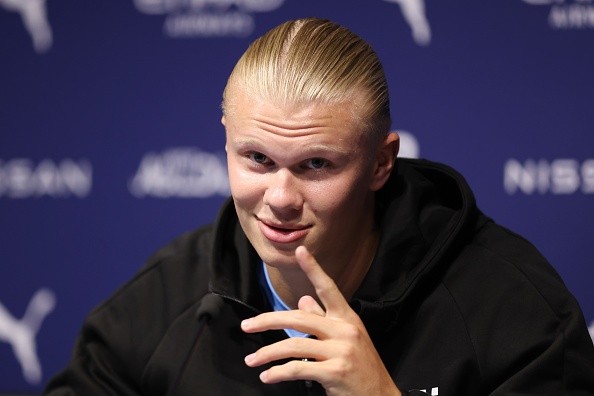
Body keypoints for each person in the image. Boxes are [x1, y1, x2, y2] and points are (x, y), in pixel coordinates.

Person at [45, 17, 594, 395]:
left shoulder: (513, 308)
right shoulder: (161, 305)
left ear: (382, 163)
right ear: (226, 142)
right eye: (257, 158)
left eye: (316, 165)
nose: (280, 199)